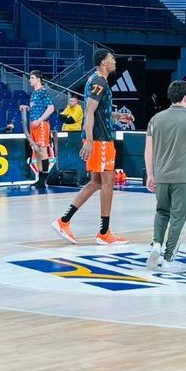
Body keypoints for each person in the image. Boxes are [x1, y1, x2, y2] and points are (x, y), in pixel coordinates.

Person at [51, 50, 128, 245]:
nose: (114, 61)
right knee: (108, 182)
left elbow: (99, 111)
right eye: (112, 58)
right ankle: (103, 232)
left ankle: (64, 221)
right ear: (104, 62)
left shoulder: (95, 80)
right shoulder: (99, 81)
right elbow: (89, 111)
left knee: (96, 182)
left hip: (100, 138)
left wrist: (117, 117)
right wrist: (89, 140)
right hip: (101, 140)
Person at [144, 80, 186, 272]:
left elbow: (148, 151)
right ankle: (169, 258)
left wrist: (150, 175)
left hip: (161, 176)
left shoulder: (155, 119)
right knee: (178, 218)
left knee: (162, 212)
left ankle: (156, 245)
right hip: (183, 178)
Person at [21, 70, 56, 189]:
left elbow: (51, 108)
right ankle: (40, 178)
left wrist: (40, 120)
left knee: (42, 150)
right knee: (36, 151)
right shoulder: (34, 94)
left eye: (32, 78)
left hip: (41, 124)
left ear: (38, 79)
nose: (30, 80)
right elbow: (37, 108)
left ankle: (44, 178)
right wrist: (27, 108)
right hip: (33, 124)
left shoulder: (43, 92)